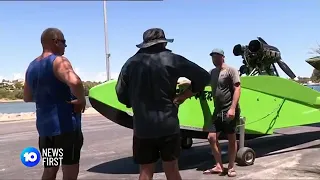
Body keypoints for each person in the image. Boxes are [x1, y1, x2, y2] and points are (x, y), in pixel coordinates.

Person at [115, 28, 211, 180]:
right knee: (171, 168)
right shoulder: (172, 59)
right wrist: (184, 96)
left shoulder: (131, 63)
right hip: (168, 125)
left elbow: (121, 95)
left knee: (145, 171)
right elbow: (205, 77)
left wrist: (135, 103)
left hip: (142, 127)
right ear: (163, 43)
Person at [23, 27, 86, 180]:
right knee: (69, 169)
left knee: (50, 169)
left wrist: (48, 98)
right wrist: (81, 99)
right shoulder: (59, 61)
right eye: (64, 42)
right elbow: (75, 81)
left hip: (46, 130)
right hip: (66, 128)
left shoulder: (31, 66)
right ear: (56, 41)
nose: (65, 46)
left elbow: (27, 97)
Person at [203, 49, 241, 177]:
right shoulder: (212, 72)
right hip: (217, 110)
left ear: (223, 57)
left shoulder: (231, 70)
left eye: (216, 57)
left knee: (231, 138)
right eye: (212, 57)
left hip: (229, 108)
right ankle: (219, 166)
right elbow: (203, 82)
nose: (214, 60)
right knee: (211, 137)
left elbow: (237, 88)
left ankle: (231, 167)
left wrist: (233, 108)